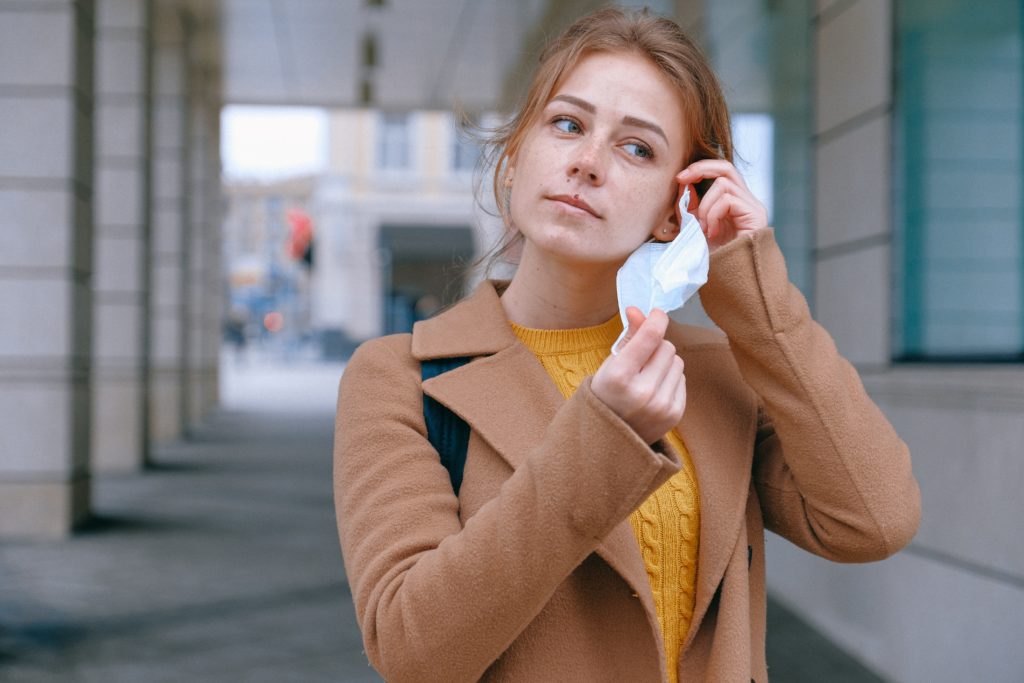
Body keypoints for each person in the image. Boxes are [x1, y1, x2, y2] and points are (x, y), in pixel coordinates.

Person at [333, 8, 920, 682]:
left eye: (636, 147)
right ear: (515, 156)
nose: (587, 162)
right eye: (567, 124)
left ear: (678, 209)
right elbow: (412, 649)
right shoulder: (400, 376)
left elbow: (875, 518)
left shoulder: (711, 372)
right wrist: (603, 438)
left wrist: (757, 301)